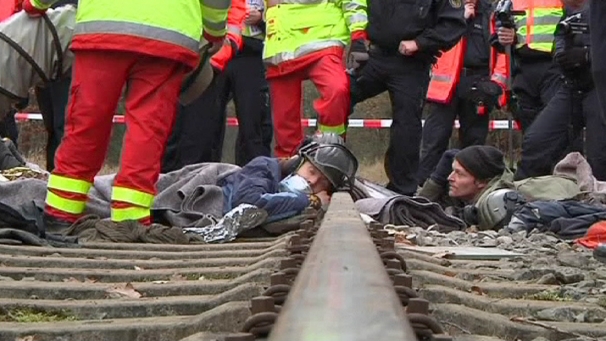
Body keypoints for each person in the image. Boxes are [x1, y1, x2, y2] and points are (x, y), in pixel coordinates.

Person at [21, 0, 230, 229]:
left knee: (87, 120)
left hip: (103, 26)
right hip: (168, 34)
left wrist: (37, 4)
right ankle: (130, 221)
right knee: (147, 129)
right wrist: (214, 30)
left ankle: (61, 215)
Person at [351, 0, 467, 196]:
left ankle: (401, 190)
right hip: (373, 57)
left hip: (412, 64)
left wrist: (419, 43)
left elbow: (453, 25)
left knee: (407, 125)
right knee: (338, 95)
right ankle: (329, 166)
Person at [418, 0, 508, 186]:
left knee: (474, 143)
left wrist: (496, 85)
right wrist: (459, 19)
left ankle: (468, 194)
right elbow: (427, 38)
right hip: (445, 86)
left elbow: (503, 51)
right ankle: (424, 189)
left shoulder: (492, 13)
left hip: (479, 82)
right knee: (434, 140)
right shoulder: (443, 10)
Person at [515, 0, 606, 181]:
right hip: (572, 85)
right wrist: (561, 55)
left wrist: (587, 55)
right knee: (536, 141)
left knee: (600, 155)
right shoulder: (569, 10)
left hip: (599, 86)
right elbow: (560, 35)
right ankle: (520, 197)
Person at [264, 0, 368, 158]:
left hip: (323, 40)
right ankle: (289, 167)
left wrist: (358, 36)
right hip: (281, 44)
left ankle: (329, 151)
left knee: (336, 90)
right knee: (284, 120)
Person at [221, 133, 358, 223]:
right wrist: (311, 200)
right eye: (311, 171)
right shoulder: (263, 167)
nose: (313, 181)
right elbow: (247, 204)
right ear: (296, 162)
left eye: (323, 182)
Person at [493, 0, 563, 132]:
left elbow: (578, 18)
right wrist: (505, 36)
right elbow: (499, 26)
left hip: (555, 66)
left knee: (557, 126)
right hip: (523, 67)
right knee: (529, 128)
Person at [418, 145, 522, 230]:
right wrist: (437, 180)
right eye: (452, 171)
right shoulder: (467, 194)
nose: (450, 177)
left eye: (459, 173)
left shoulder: (497, 203)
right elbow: (416, 209)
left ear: (481, 181)